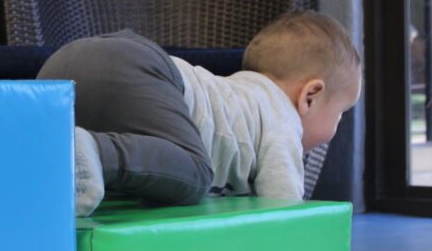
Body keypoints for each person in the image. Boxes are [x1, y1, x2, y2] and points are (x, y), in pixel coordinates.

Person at [43, 11, 362, 216]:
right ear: (310, 96)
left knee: (149, 181)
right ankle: (95, 150)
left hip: (63, 65)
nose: (337, 126)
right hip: (138, 65)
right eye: (341, 113)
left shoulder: (239, 96)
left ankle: (57, 161)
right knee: (195, 173)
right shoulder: (283, 118)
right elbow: (283, 211)